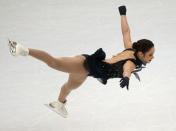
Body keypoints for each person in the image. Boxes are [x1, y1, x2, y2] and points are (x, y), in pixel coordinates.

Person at [8, 5, 155, 118]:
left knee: (70, 85)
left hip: (87, 70)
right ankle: (23, 50)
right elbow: (127, 68)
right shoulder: (132, 62)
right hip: (85, 65)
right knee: (54, 62)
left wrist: (122, 13)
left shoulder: (130, 48)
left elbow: (126, 32)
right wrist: (126, 77)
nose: (152, 58)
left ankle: (59, 104)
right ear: (141, 54)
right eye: (150, 55)